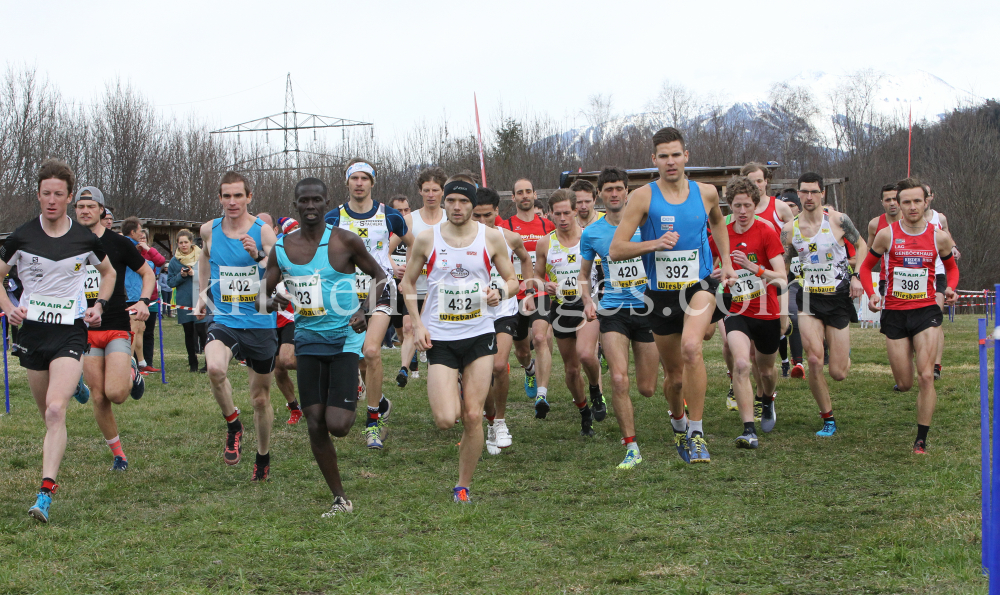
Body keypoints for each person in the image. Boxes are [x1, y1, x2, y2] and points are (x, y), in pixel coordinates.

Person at [0, 159, 116, 522]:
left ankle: (45, 493)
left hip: (69, 330)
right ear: (38, 195)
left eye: (59, 194)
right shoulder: (20, 237)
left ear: (68, 198)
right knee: (46, 415)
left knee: (55, 409)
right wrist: (9, 306)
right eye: (46, 193)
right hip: (32, 332)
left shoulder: (85, 238)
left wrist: (100, 305)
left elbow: (108, 272)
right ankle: (77, 385)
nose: (52, 200)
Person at [611, 127, 735, 464]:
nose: (670, 161)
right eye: (663, 156)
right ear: (654, 160)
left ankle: (696, 432)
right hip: (660, 293)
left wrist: (725, 262)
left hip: (698, 286)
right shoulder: (643, 197)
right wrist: (654, 243)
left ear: (686, 156)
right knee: (674, 378)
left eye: (675, 154)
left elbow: (719, 224)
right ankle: (678, 422)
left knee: (693, 348)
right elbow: (617, 249)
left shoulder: (706, 192)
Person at [265, 177, 387, 517]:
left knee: (339, 425)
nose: (310, 206)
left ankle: (355, 385)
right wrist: (271, 298)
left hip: (344, 340)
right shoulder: (281, 248)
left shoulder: (344, 240)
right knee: (314, 421)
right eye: (303, 201)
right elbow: (263, 290)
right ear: (295, 204)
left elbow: (380, 276)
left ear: (325, 202)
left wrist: (365, 308)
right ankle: (339, 497)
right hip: (307, 341)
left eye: (316, 200)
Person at [401, 176, 519, 503]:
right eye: (451, 200)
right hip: (439, 337)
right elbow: (407, 285)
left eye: (463, 202)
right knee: (444, 419)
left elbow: (513, 280)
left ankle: (462, 486)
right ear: (443, 202)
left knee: (472, 415)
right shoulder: (427, 239)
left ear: (471, 205)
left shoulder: (491, 238)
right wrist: (417, 323)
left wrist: (500, 292)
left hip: (480, 334)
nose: (456, 207)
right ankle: (453, 384)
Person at [860, 178, 958, 453]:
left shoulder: (939, 236)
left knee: (926, 376)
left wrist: (950, 288)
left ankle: (921, 440)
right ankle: (907, 374)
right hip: (895, 313)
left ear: (926, 202)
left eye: (917, 201)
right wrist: (871, 294)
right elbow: (866, 268)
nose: (912, 206)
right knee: (904, 383)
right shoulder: (886, 235)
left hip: (926, 310)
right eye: (906, 202)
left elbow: (951, 269)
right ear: (898, 205)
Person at [195, 171, 279, 481]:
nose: (232, 202)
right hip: (225, 318)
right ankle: (233, 424)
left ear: (248, 198)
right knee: (215, 369)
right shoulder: (209, 230)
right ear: (219, 198)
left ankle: (262, 454)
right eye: (226, 196)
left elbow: (278, 270)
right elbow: (204, 258)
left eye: (238, 196)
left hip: (259, 320)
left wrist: (257, 255)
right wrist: (203, 292)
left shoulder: (263, 231)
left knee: (260, 399)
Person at [324, 158, 410, 449]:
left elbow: (418, 247)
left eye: (364, 178)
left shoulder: (390, 216)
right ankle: (381, 402)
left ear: (373, 182)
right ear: (346, 182)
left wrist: (407, 271)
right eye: (354, 178)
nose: (359, 183)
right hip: (345, 294)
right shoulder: (333, 218)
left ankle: (373, 422)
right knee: (359, 356)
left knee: (372, 350)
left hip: (381, 288)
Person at [579, 167, 659, 468]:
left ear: (627, 191)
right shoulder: (593, 232)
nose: (614, 194)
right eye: (608, 189)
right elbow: (584, 275)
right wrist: (588, 301)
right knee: (618, 377)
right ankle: (631, 447)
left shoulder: (645, 223)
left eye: (619, 188)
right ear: (601, 193)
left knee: (647, 388)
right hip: (612, 309)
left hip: (648, 308)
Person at [74, 186, 154, 473]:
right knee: (98, 396)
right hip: (84, 330)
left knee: (117, 394)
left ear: (102, 212)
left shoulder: (119, 244)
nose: (84, 211)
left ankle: (132, 371)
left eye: (90, 206)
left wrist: (144, 301)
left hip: (117, 325)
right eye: (80, 206)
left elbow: (148, 273)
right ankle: (118, 455)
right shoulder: (67, 242)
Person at [781, 172, 866, 437]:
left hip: (838, 298)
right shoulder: (790, 229)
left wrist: (858, 276)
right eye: (803, 192)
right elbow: (783, 266)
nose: (808, 197)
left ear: (822, 194)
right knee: (815, 359)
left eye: (813, 192)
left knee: (838, 372)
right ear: (799, 193)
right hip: (808, 298)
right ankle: (827, 417)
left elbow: (862, 246)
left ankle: (842, 353)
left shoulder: (838, 221)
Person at [525, 189, 604, 435]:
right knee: (571, 370)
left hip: (588, 304)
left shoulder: (590, 237)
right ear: (550, 214)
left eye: (567, 213)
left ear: (575, 211)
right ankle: (584, 412)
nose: (562, 218)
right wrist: (542, 284)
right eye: (557, 214)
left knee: (586, 355)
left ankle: (595, 390)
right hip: (560, 307)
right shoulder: (545, 242)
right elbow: (536, 275)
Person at [718, 177, 787, 448]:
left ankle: (767, 400)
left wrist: (753, 267)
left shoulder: (766, 233)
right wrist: (719, 275)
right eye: (737, 206)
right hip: (737, 311)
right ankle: (748, 429)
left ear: (755, 205)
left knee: (767, 371)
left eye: (747, 205)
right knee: (743, 364)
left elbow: (781, 278)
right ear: (730, 206)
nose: (743, 211)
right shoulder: (722, 234)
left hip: (767, 313)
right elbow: (713, 265)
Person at [471, 186, 533, 454]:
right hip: (473, 312)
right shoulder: (461, 240)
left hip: (505, 309)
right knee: (480, 372)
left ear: (497, 211)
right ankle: (489, 420)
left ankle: (500, 421)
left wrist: (528, 289)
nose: (482, 221)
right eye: (477, 216)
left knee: (498, 365)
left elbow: (525, 258)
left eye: (487, 215)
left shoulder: (509, 237)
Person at [496, 178, 553, 402]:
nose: (525, 196)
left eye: (528, 191)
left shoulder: (547, 226)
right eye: (520, 192)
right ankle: (529, 369)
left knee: (540, 337)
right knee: (521, 350)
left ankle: (542, 392)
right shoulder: (505, 228)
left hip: (539, 290)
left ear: (535, 194)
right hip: (513, 293)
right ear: (513, 197)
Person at [257, 212, 302, 425]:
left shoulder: (283, 246)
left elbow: (276, 266)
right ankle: (294, 406)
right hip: (266, 317)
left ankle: (323, 368)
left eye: (264, 225)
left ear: (274, 230)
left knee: (287, 359)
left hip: (288, 315)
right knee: (278, 368)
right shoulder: (242, 244)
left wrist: (256, 255)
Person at [922, 184, 960, 380]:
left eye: (926, 196)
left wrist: (953, 247)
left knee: (935, 319)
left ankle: (936, 365)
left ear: (931, 197)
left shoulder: (940, 218)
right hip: (916, 275)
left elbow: (947, 234)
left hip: (937, 273)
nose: (924, 200)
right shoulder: (908, 219)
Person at [120, 218, 166, 374]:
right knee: (133, 330)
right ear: (132, 232)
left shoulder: (135, 248)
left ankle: (141, 362)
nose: (142, 235)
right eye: (140, 231)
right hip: (130, 294)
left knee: (140, 328)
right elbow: (150, 266)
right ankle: (128, 366)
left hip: (137, 294)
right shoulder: (127, 246)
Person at [167, 229, 209, 372]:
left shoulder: (202, 257)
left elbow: (209, 277)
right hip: (184, 301)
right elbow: (170, 282)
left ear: (191, 242)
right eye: (180, 243)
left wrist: (194, 274)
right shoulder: (174, 261)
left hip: (200, 299)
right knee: (188, 333)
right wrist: (181, 276)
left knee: (203, 331)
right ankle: (193, 363)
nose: (183, 245)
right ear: (177, 244)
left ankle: (209, 362)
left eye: (186, 242)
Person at [778, 190, 804, 378]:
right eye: (784, 205)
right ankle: (786, 362)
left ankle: (798, 362)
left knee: (793, 316)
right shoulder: (781, 229)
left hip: (808, 282)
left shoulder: (808, 227)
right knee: (781, 319)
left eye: (792, 205)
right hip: (785, 280)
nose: (788, 209)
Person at [741, 162, 794, 229]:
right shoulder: (742, 210)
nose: (756, 185)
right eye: (752, 182)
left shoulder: (780, 207)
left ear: (765, 181)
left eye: (759, 181)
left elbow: (795, 234)